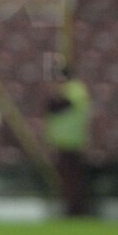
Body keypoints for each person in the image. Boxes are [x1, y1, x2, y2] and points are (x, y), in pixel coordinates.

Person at [43, 65, 93, 217]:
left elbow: (57, 106)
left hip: (71, 142)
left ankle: (75, 209)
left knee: (72, 179)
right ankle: (72, 207)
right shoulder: (74, 90)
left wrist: (55, 94)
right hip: (65, 142)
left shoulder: (75, 90)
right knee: (68, 178)